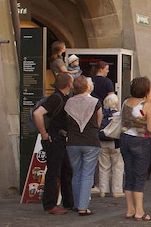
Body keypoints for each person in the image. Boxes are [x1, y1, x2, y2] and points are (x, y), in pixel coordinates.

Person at [33, 71, 74, 214]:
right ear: (69, 84)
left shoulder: (63, 97)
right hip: (55, 138)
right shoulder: (56, 98)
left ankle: (69, 202)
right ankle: (49, 205)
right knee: (54, 172)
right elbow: (37, 113)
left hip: (60, 138)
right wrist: (44, 134)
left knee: (66, 170)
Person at [64, 75, 102, 216]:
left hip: (73, 141)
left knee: (77, 173)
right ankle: (83, 206)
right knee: (87, 174)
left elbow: (66, 120)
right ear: (88, 86)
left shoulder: (69, 102)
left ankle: (76, 203)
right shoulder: (95, 102)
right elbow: (98, 122)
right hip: (90, 141)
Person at [119, 76, 151, 221]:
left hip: (125, 138)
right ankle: (139, 211)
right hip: (141, 140)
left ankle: (129, 209)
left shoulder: (126, 102)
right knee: (140, 175)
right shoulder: (146, 105)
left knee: (129, 174)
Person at [96, 92, 124, 199]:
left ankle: (103, 189)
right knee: (117, 166)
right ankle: (117, 190)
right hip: (115, 143)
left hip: (102, 142)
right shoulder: (118, 115)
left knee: (103, 167)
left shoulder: (101, 114)